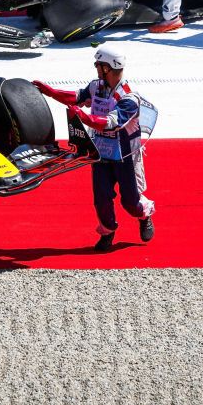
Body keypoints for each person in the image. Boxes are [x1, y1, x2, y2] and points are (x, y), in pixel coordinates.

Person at [34, 44, 156, 252]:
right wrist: (50, 92)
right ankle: (107, 232)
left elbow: (111, 123)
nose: (96, 68)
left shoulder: (129, 99)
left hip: (125, 157)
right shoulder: (96, 86)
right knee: (101, 198)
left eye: (98, 65)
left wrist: (83, 117)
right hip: (100, 152)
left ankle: (144, 214)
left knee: (130, 203)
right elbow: (76, 97)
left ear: (107, 67)